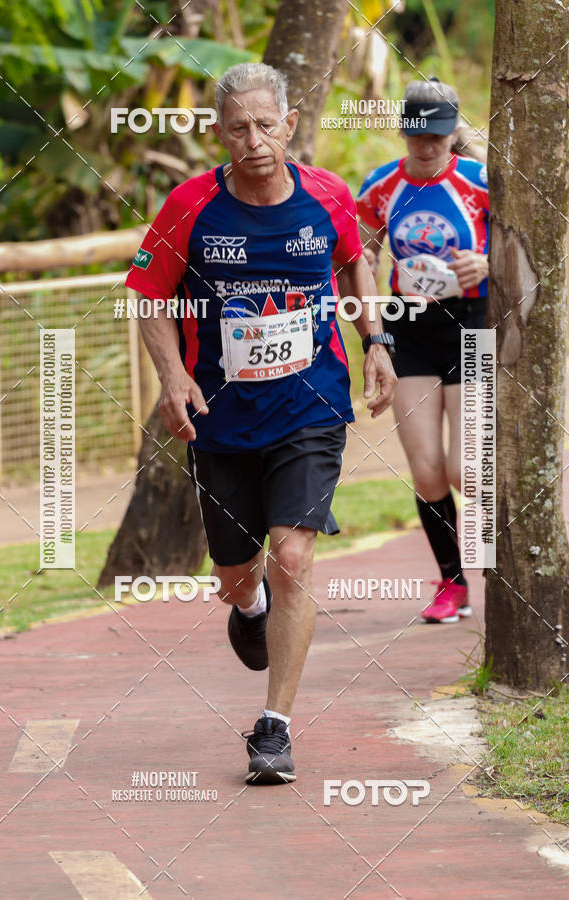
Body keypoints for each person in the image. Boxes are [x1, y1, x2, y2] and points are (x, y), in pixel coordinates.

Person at [125, 62, 396, 784]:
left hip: (311, 405)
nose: (254, 141)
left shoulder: (327, 194)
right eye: (239, 128)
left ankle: (274, 727)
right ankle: (249, 605)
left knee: (295, 555)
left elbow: (355, 262)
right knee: (234, 574)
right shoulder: (190, 205)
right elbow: (148, 294)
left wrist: (377, 341)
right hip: (220, 416)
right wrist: (172, 376)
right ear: (220, 133)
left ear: (289, 124)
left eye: (266, 125)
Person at [356, 78, 489, 624]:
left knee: (468, 470)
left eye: (438, 135)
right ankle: (453, 583)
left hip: (472, 324)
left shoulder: (481, 182)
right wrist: (370, 320)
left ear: (454, 130)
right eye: (418, 135)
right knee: (428, 468)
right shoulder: (381, 185)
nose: (428, 145)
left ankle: (500, 559)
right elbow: (358, 256)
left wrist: (488, 264)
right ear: (404, 131)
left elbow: (524, 249)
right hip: (408, 326)